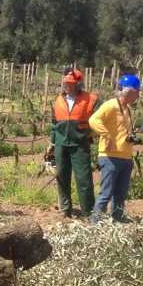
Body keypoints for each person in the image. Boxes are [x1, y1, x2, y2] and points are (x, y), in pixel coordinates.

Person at [87, 73, 143, 223]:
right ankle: (95, 222)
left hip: (125, 156)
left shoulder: (128, 109)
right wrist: (107, 135)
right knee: (106, 192)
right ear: (129, 91)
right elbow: (93, 120)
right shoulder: (111, 105)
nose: (138, 95)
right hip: (110, 156)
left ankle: (117, 218)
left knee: (121, 193)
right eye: (137, 92)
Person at [48, 68, 99, 218]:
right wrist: (51, 143)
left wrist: (91, 133)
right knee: (62, 177)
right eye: (65, 83)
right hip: (60, 143)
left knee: (84, 180)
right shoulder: (58, 100)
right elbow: (54, 123)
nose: (67, 85)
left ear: (78, 83)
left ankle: (88, 212)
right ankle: (65, 209)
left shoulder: (91, 99)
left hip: (80, 144)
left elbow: (101, 118)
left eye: (70, 83)